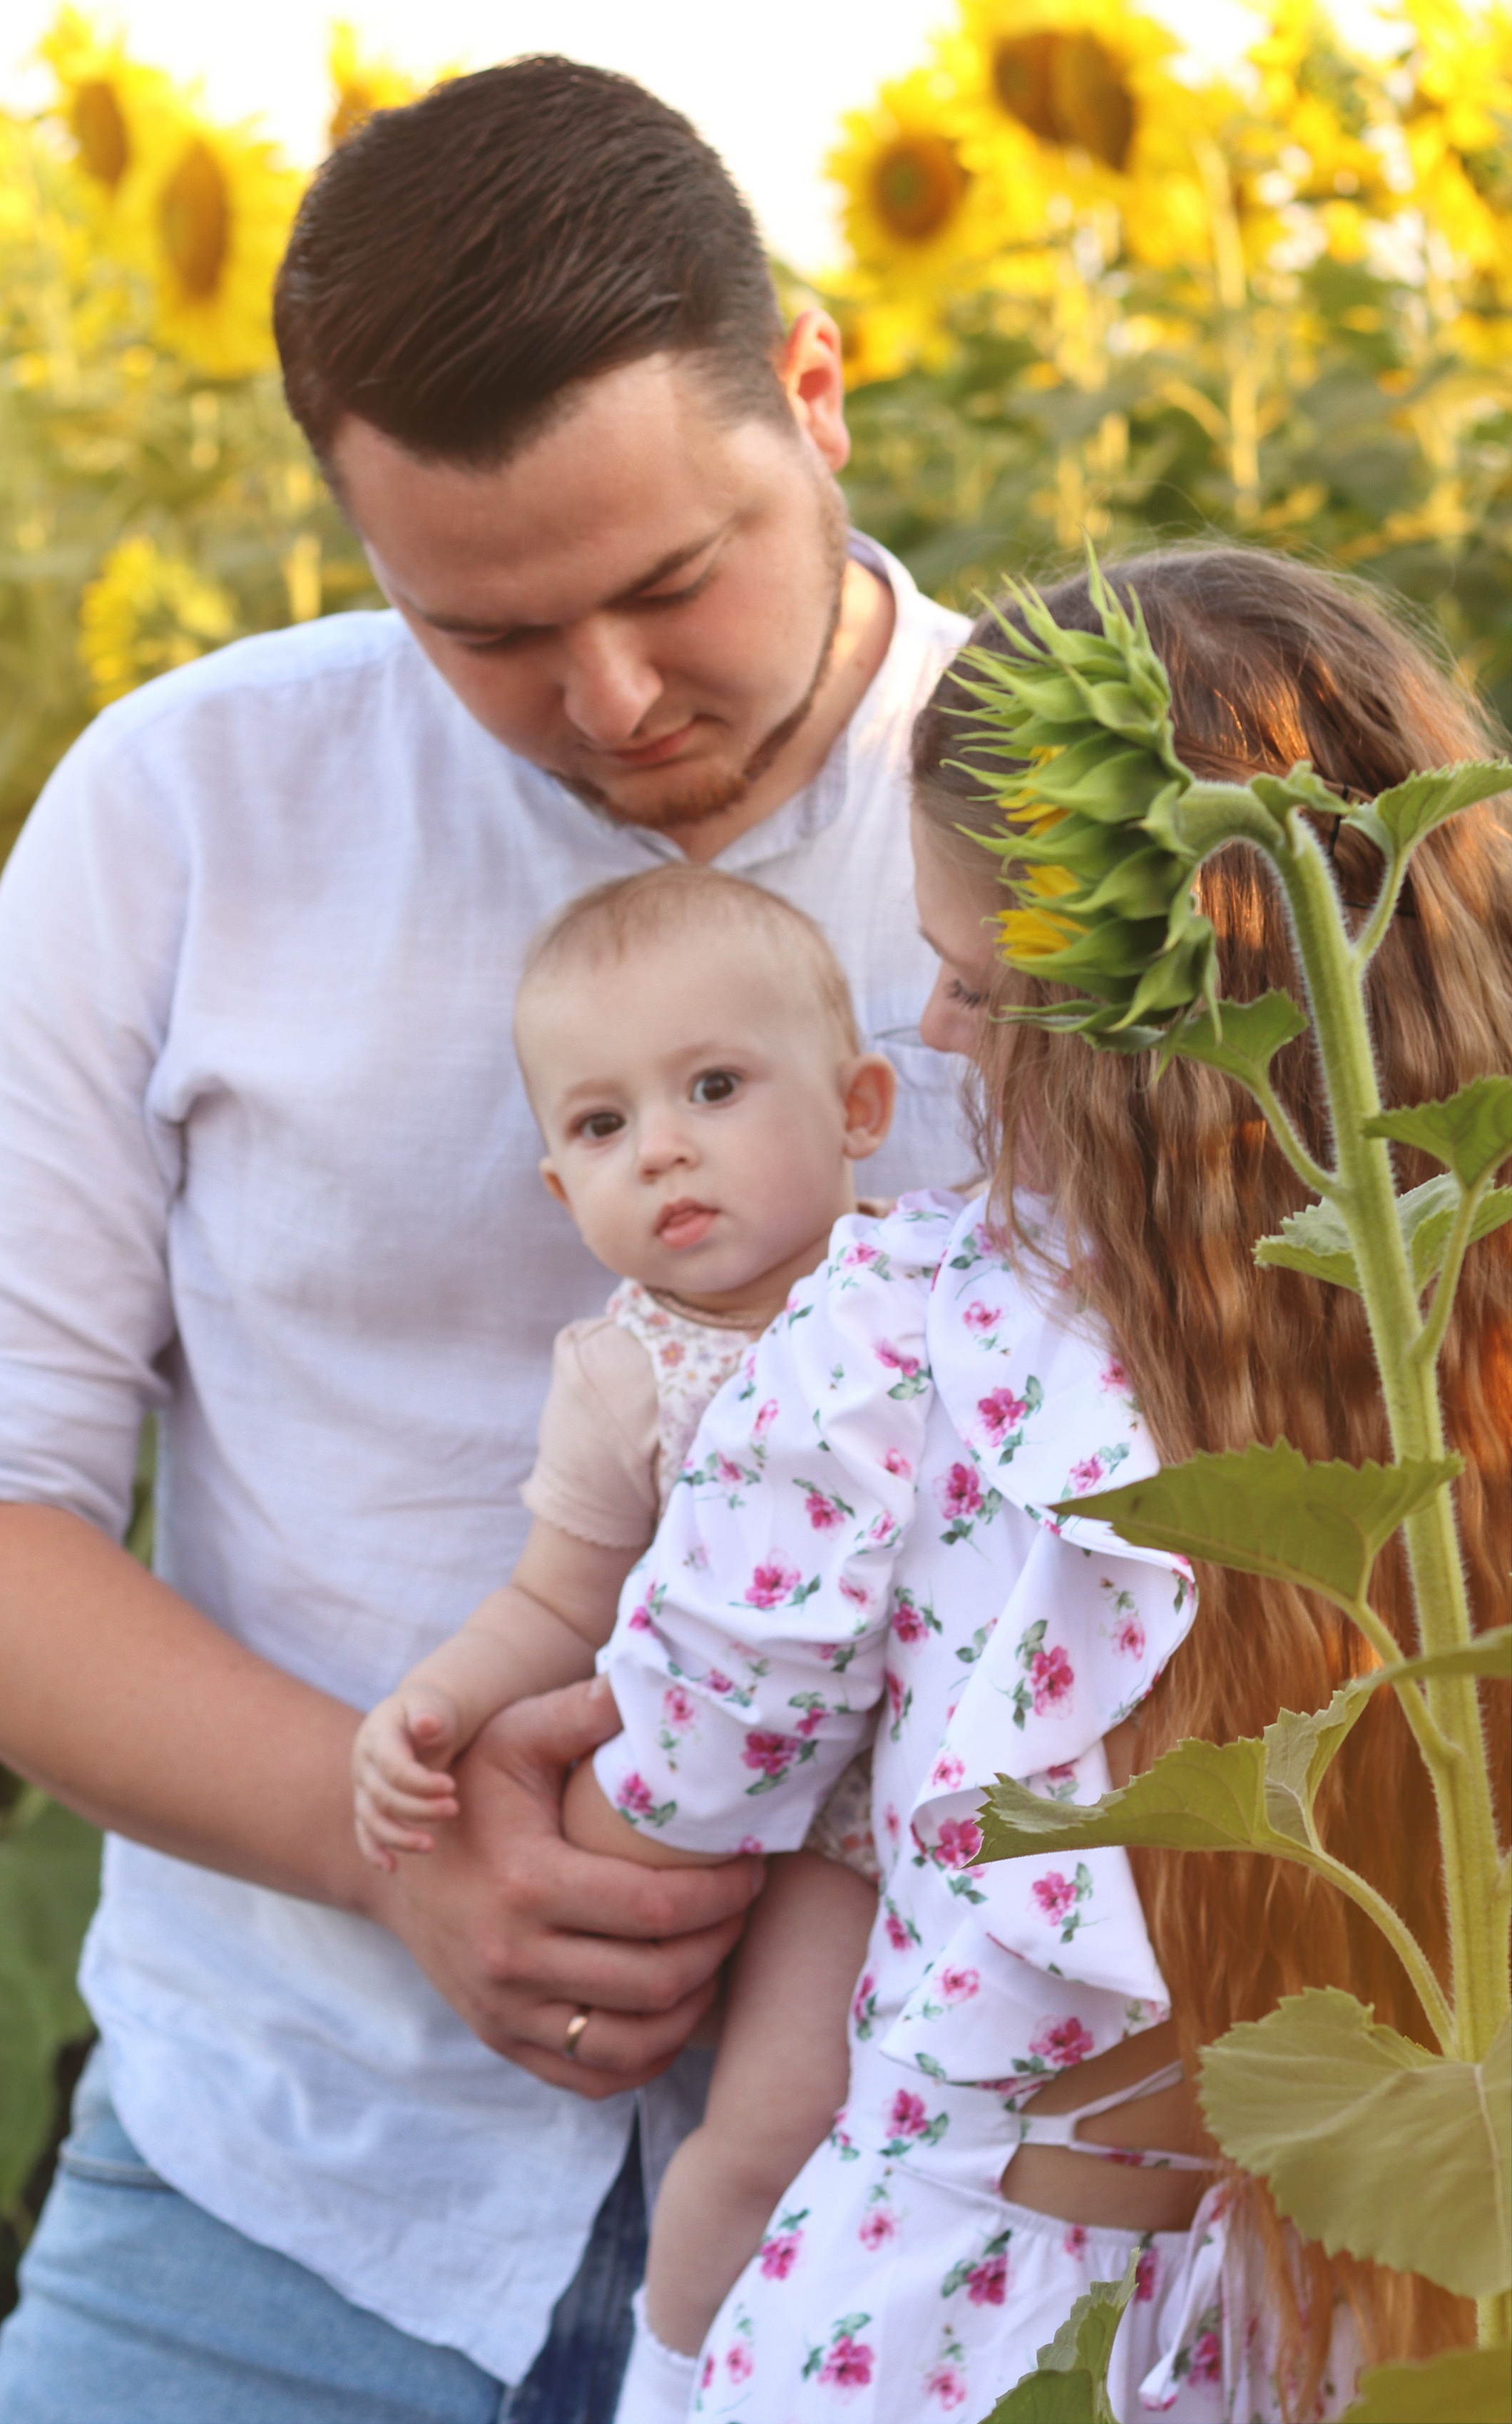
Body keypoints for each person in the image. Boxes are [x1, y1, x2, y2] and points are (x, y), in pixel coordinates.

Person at [0, 57, 975, 2424]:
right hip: (276, 2184)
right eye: (490, 633)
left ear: (818, 389)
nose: (616, 702)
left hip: (948, 2215)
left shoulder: (1108, 824)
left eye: (676, 579)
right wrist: (405, 1860)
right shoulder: (188, 805)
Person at [560, 548, 1512, 2420]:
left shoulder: (900, 1340)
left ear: (1142, 1036)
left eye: (983, 980)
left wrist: (550, 1712)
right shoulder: (1466, 1313)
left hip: (975, 2323)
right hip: (1390, 2318)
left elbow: (681, 1792)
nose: (932, 1029)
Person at [354, 864, 897, 2367]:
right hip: (806, 1824)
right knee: (782, 2111)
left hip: (977, 1779)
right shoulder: (628, 1374)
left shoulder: (937, 1283)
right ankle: (683, 2369)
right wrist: (434, 1709)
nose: (662, 1148)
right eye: (600, 1125)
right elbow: (553, 1598)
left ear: (858, 1104)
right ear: (557, 1185)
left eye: (713, 1086)